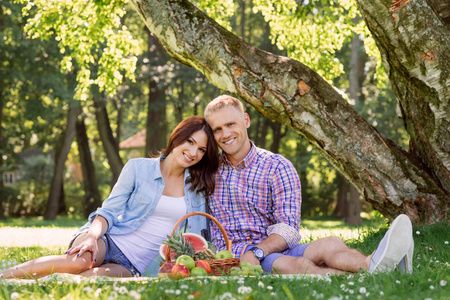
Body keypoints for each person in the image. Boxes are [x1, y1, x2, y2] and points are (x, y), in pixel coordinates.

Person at [204, 95, 414, 275]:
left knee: (331, 244)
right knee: (294, 265)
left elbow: (289, 228)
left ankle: (369, 263)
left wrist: (258, 250)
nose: (225, 134)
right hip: (237, 255)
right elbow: (177, 159)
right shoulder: (206, 172)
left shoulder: (277, 167)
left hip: (271, 247)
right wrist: (251, 254)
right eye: (217, 129)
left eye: (231, 124)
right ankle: (374, 271)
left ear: (246, 120)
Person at [0, 116, 219, 279]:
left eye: (201, 149)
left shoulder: (198, 189)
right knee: (79, 264)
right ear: (177, 137)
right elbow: (108, 211)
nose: (193, 152)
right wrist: (92, 237)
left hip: (136, 265)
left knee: (88, 279)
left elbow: (201, 233)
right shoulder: (138, 168)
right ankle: (5, 275)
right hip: (109, 239)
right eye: (190, 142)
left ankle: (36, 281)